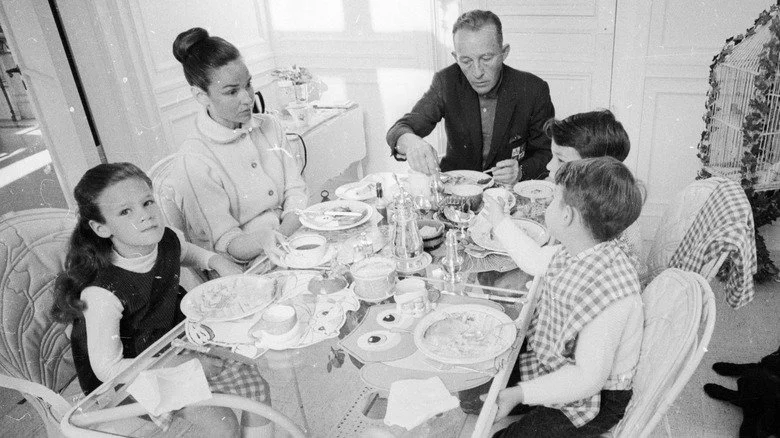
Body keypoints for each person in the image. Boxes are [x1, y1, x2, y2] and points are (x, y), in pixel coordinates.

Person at [51, 163, 273, 437]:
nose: (145, 216)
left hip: (171, 341)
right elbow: (108, 369)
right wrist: (178, 366)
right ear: (101, 228)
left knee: (258, 391)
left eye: (147, 202)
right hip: (132, 375)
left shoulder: (163, 238)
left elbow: (183, 251)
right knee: (223, 424)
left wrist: (214, 260)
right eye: (125, 211)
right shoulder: (102, 293)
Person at [484, 157, 644, 436]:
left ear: (567, 216)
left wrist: (519, 394)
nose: (547, 206)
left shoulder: (611, 293)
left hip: (598, 397)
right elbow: (533, 259)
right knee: (485, 387)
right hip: (565, 365)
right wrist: (500, 220)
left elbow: (587, 379)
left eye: (552, 199)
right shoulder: (585, 247)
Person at [170, 27, 308, 265]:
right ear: (201, 96)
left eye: (248, 85)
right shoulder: (194, 159)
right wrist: (268, 240)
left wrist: (284, 235)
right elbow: (225, 242)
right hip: (245, 266)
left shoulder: (270, 125)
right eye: (232, 91)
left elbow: (295, 191)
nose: (247, 98)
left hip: (292, 238)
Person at [386, 9, 554, 184]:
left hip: (506, 192)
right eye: (466, 61)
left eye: (486, 58)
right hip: (455, 190)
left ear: (504, 53)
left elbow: (546, 152)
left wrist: (520, 171)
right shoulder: (446, 82)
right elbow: (399, 129)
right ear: (456, 58)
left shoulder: (533, 89)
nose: (477, 72)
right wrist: (412, 143)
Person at [483, 109, 646, 282]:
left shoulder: (604, 225)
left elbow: (536, 260)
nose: (549, 166)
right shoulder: (608, 199)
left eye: (560, 160)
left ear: (595, 171)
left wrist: (499, 219)